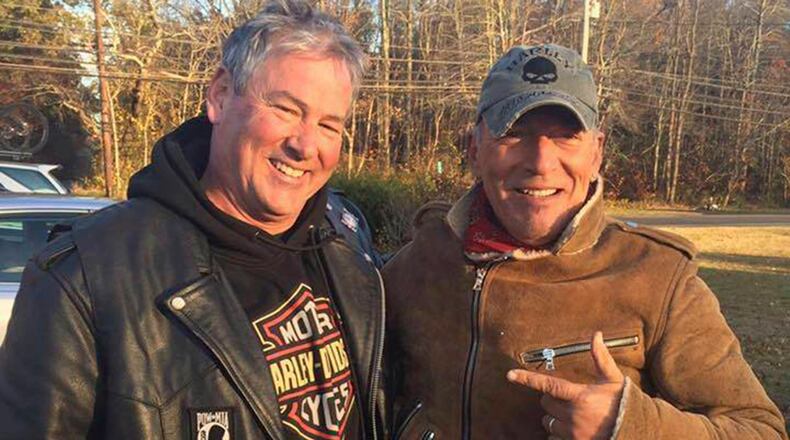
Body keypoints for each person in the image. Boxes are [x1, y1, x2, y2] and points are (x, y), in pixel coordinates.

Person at [0, 2, 385, 439]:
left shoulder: (348, 250)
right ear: (220, 95)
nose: (305, 144)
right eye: (285, 109)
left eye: (329, 125)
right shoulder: (85, 278)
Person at [383, 44, 787, 440]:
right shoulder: (419, 262)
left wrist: (630, 426)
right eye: (515, 134)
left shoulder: (659, 278)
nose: (541, 162)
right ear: (475, 148)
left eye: (565, 137)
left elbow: (759, 429)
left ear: (596, 152)